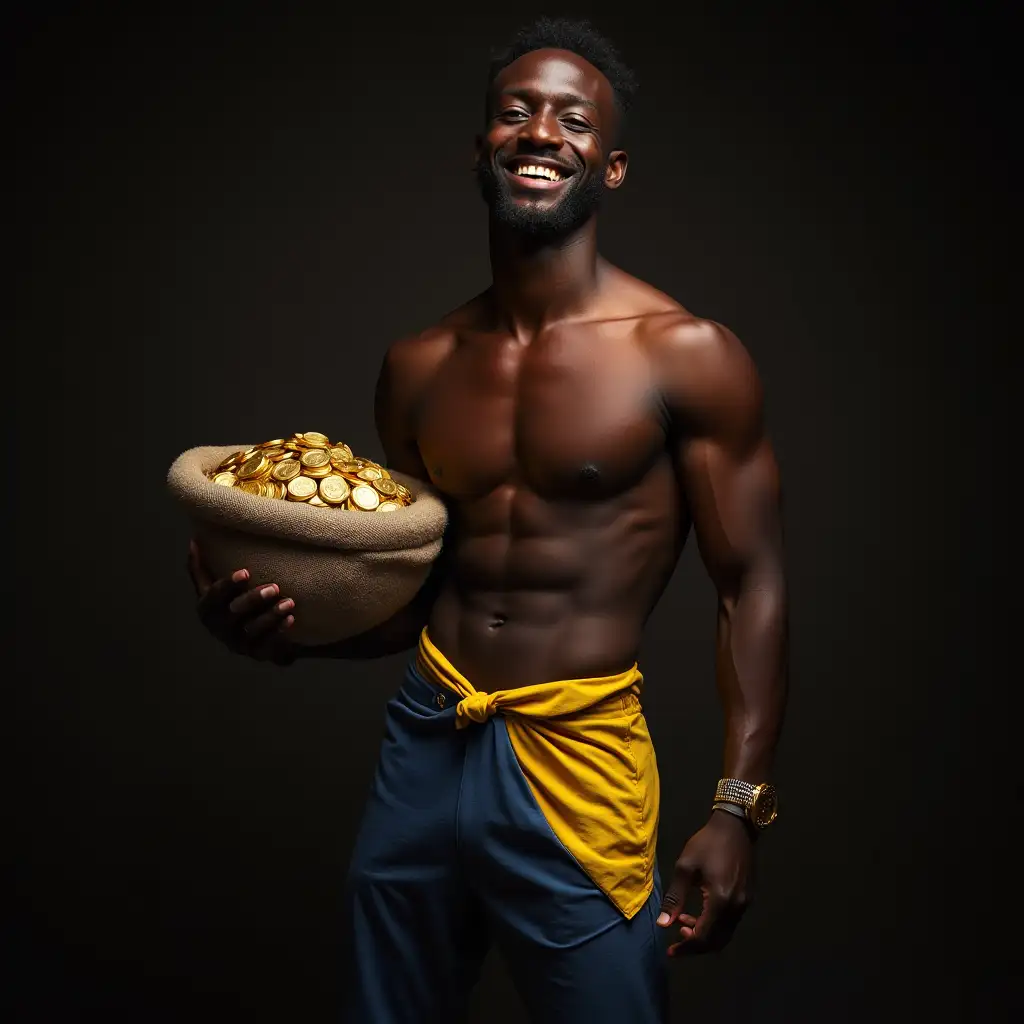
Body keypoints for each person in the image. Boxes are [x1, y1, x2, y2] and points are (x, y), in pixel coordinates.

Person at [187, 17, 788, 1023]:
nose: (540, 131)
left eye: (572, 118)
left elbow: (751, 581)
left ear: (613, 164)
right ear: (482, 148)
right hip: (426, 737)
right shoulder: (418, 364)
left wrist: (739, 809)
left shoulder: (685, 354)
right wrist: (284, 636)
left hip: (576, 749)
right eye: (515, 112)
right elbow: (414, 587)